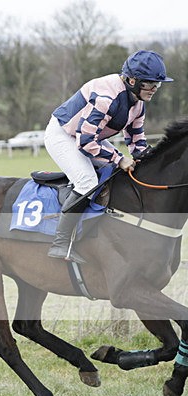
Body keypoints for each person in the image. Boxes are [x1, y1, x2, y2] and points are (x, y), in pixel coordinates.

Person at [44, 49, 173, 263]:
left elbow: (136, 140)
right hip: (63, 134)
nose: (155, 89)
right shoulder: (107, 97)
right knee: (87, 182)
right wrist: (119, 159)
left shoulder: (138, 103)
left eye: (157, 84)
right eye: (150, 83)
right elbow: (85, 141)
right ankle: (61, 243)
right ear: (132, 80)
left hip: (86, 134)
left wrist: (152, 160)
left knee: (116, 173)